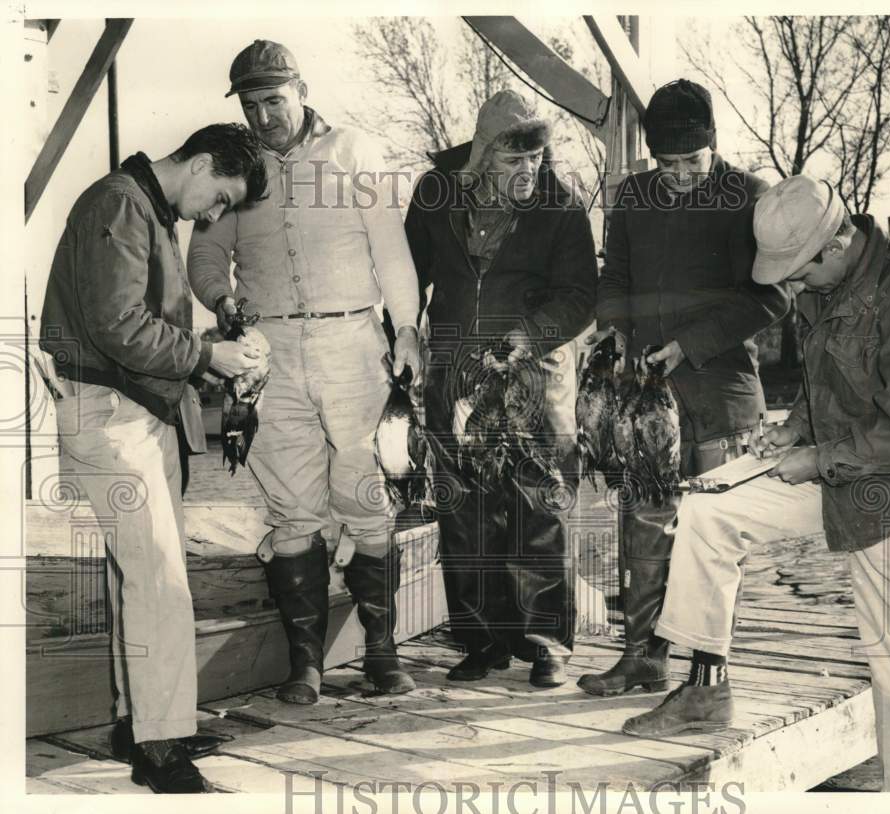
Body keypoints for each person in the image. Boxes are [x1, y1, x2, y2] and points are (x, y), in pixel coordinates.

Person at [622, 175, 890, 793]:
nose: (790, 285)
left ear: (835, 243)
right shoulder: (828, 281)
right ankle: (707, 689)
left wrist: (817, 458)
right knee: (710, 512)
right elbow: (834, 385)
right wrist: (797, 430)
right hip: (840, 468)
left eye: (797, 270)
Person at [188, 40, 423, 703]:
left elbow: (391, 248)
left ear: (301, 89)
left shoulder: (354, 150)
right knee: (292, 508)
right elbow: (205, 253)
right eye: (251, 104)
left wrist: (405, 327)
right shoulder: (236, 165)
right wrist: (222, 301)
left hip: (353, 340)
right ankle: (306, 663)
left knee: (367, 494)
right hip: (268, 354)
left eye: (275, 100)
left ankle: (381, 652)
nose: (264, 116)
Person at [40, 123, 268, 793]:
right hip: (111, 414)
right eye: (220, 198)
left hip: (139, 410)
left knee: (136, 575)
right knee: (161, 577)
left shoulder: (142, 207)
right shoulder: (120, 203)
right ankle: (160, 744)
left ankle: (139, 719)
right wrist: (206, 356)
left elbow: (136, 322)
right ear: (199, 165)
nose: (215, 215)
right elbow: (115, 327)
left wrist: (211, 346)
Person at [577, 79, 790, 697]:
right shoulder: (633, 196)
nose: (676, 177)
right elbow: (613, 276)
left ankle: (706, 675)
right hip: (644, 398)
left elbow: (772, 296)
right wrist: (614, 332)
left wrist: (690, 345)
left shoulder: (751, 197)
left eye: (690, 163)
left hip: (721, 397)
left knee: (714, 532)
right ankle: (641, 656)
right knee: (642, 526)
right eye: (665, 164)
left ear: (713, 145)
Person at [404, 89, 597, 688]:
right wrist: (407, 338)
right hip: (455, 368)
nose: (530, 172)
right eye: (515, 162)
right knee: (464, 509)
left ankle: (544, 642)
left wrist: (528, 337)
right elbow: (405, 276)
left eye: (537, 160)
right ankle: (480, 639)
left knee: (537, 504)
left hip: (535, 373)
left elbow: (580, 296)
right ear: (484, 156)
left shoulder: (561, 208)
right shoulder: (436, 195)